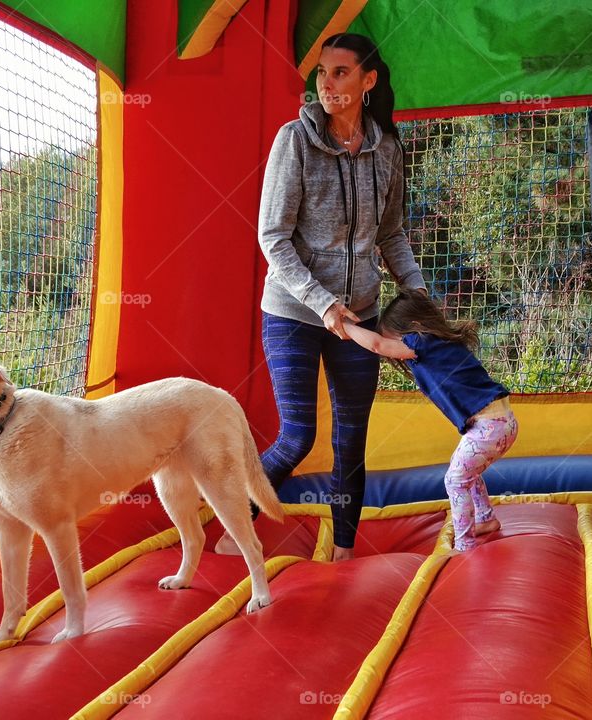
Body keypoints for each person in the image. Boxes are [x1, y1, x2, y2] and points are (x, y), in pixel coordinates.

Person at [215, 33, 428, 561]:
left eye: (340, 73)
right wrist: (325, 306)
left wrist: (420, 296)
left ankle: (345, 553)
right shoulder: (296, 140)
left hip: (363, 312)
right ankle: (232, 524)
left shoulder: (387, 148)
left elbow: (391, 234)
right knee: (298, 436)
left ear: (367, 81)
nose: (327, 85)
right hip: (294, 311)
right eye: (321, 74)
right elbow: (273, 237)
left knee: (352, 440)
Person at [343, 291, 518, 552]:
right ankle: (485, 519)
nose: (398, 349)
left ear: (413, 328)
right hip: (502, 423)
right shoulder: (441, 343)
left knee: (455, 480)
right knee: (467, 473)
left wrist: (343, 325)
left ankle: (464, 543)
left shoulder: (422, 341)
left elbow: (378, 345)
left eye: (396, 338)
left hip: (488, 427)